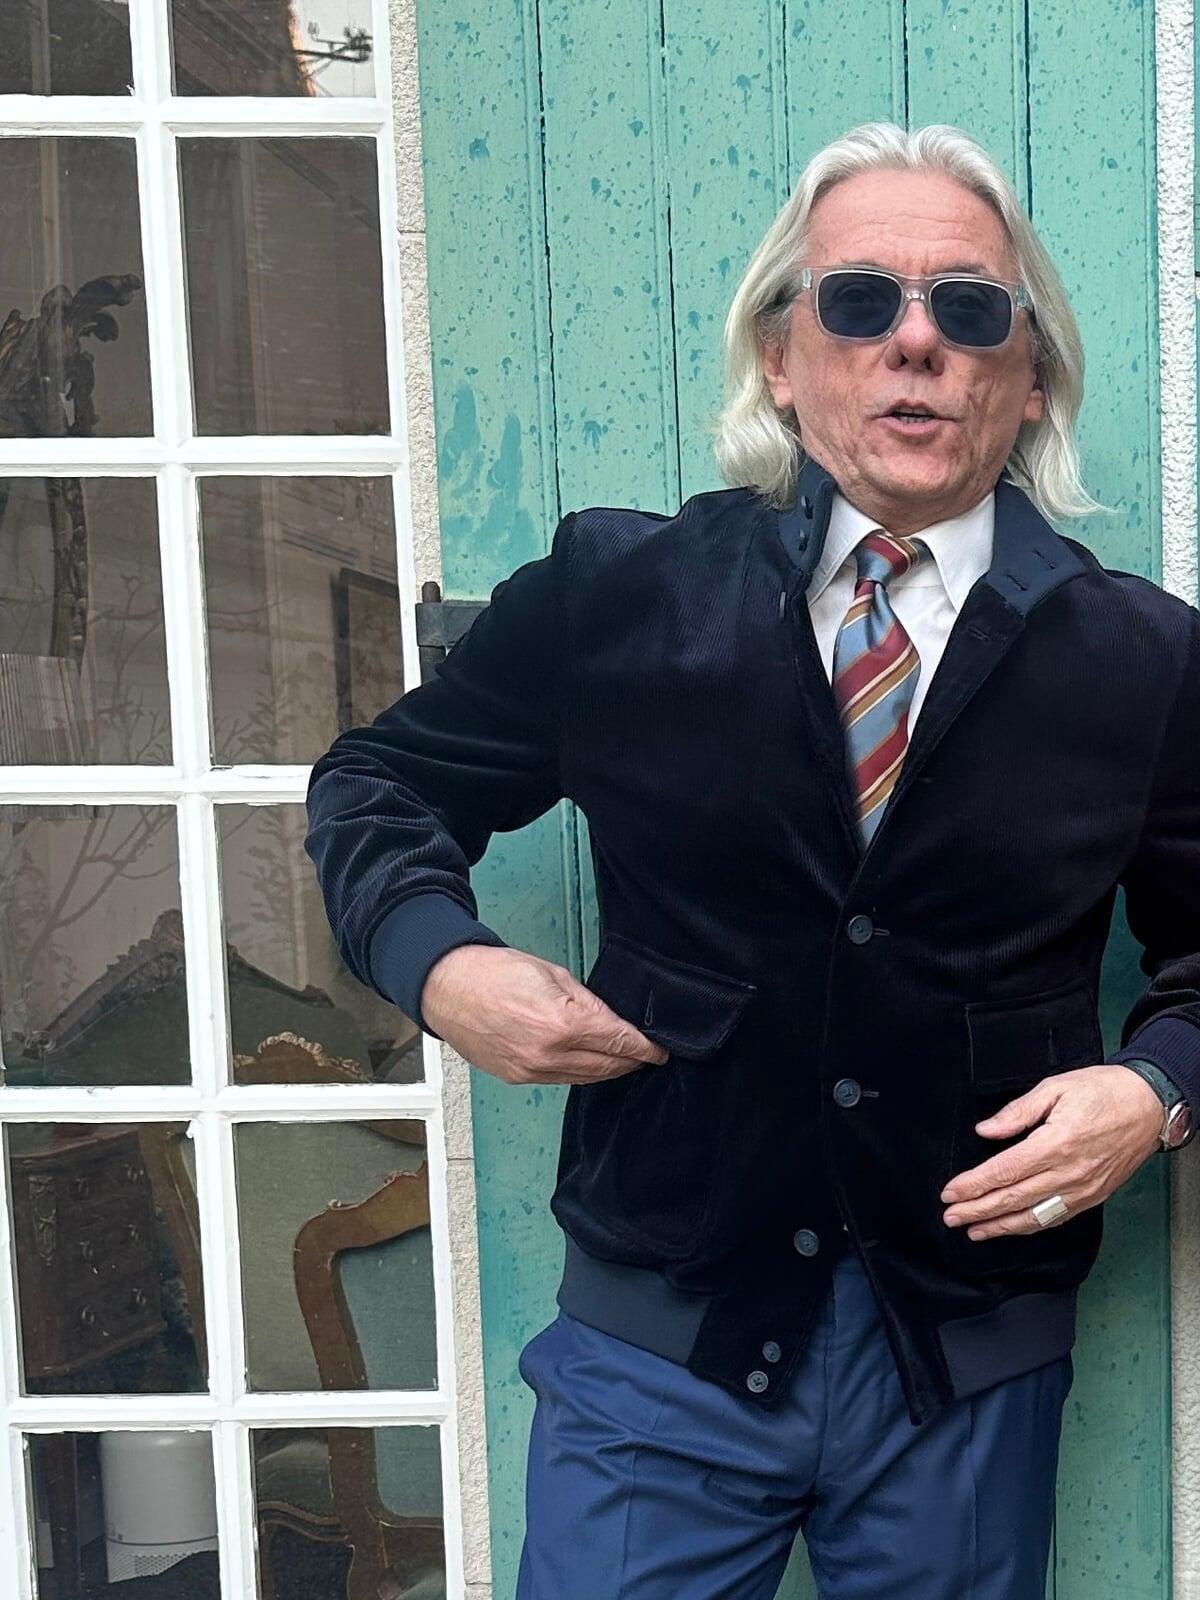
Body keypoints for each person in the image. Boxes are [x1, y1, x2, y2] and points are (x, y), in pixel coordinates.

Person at [304, 121, 1200, 1598]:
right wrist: (441, 966)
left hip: (964, 1366)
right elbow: (379, 781)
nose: (916, 341)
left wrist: (1157, 1089)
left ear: (1030, 374)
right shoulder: (621, 596)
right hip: (659, 1347)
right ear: (782, 357)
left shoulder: (1144, 662)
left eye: (970, 308)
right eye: (860, 300)